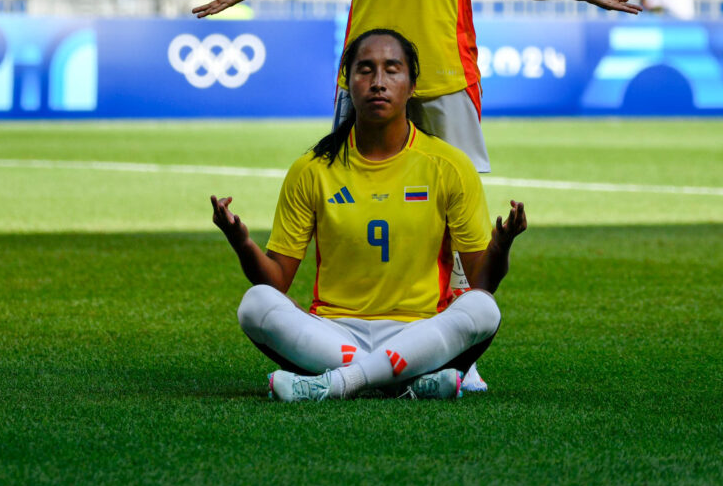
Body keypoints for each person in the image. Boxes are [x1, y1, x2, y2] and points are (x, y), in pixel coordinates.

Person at [193, 0, 641, 389]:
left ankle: (456, 360)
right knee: (344, 200)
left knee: (460, 231)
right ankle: (387, 350)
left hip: (448, 71)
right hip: (367, 73)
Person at [212, 29, 527, 402]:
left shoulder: (449, 166)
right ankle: (401, 382)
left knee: (483, 309)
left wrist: (502, 246)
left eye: (392, 70)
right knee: (256, 304)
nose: (378, 82)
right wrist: (242, 243)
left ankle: (340, 383)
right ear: (347, 82)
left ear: (412, 85)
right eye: (365, 70)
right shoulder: (312, 169)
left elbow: (481, 282)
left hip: (418, 332)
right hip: (334, 335)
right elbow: (276, 282)